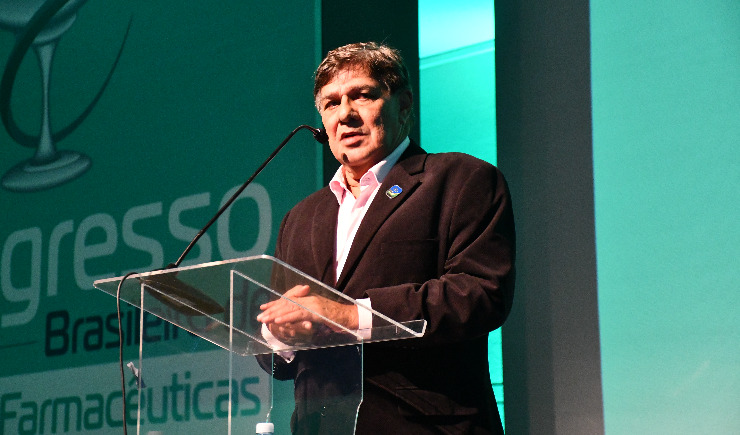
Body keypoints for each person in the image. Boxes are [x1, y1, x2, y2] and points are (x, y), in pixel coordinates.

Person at [256, 41, 515, 434]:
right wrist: (279, 336)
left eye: (362, 95)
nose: (346, 114)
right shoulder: (300, 218)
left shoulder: (460, 180)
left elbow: (480, 295)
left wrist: (345, 315)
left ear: (404, 105)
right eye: (331, 103)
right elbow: (274, 356)